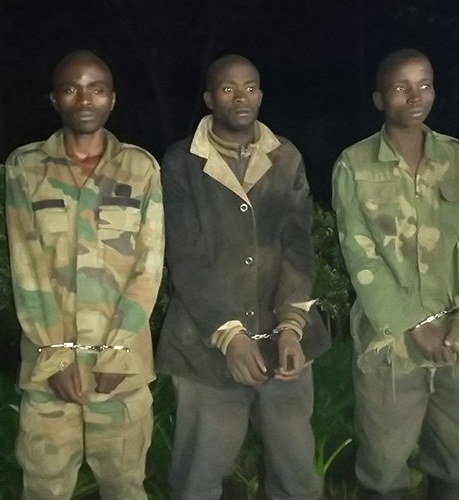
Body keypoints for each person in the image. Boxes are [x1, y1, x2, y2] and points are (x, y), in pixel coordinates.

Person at [156, 54, 330, 500]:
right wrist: (229, 335)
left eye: (250, 87)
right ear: (209, 98)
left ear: (261, 95)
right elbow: (185, 257)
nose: (241, 97)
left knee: (297, 477)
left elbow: (298, 245)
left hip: (282, 343)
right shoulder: (181, 162)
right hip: (206, 349)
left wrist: (291, 325)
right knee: (198, 478)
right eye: (228, 88)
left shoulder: (285, 157)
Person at [5, 50, 164, 500]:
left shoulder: (141, 168)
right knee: (44, 489)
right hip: (49, 371)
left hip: (121, 373)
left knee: (125, 487)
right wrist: (55, 354)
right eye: (71, 89)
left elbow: (149, 265)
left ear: (112, 98)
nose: (84, 99)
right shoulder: (26, 166)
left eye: (96, 89)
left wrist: (118, 351)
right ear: (54, 99)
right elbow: (26, 266)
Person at [332, 49, 459, 500]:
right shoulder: (355, 164)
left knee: (454, 459)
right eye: (401, 87)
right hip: (391, 346)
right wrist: (415, 324)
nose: (415, 96)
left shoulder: (454, 155)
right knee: (384, 466)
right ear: (380, 99)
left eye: (425, 85)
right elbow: (359, 255)